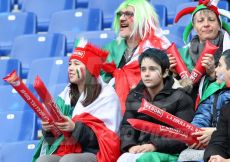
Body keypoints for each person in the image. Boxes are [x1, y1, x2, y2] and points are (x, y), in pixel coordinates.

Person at [33, 40, 122, 162]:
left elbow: (108, 139)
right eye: (70, 64)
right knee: (43, 160)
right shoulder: (65, 96)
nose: (71, 68)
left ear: (90, 69)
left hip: (95, 153)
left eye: (76, 64)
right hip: (67, 150)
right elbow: (53, 141)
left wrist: (74, 128)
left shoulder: (107, 96)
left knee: (69, 160)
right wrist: (48, 130)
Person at [117, 48, 194, 162]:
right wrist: (130, 146)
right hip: (140, 150)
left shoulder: (181, 97)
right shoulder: (135, 96)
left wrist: (154, 146)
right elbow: (127, 126)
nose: (146, 74)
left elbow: (184, 135)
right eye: (143, 69)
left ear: (165, 72)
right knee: (123, 159)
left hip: (169, 153)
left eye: (152, 69)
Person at [100, 0, 171, 114]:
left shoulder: (160, 49)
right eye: (120, 14)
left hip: (147, 112)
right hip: (111, 111)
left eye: (128, 14)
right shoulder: (109, 49)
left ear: (143, 19)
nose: (122, 18)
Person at [169, 0, 230, 105]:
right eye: (200, 21)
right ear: (194, 27)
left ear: (219, 25)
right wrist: (172, 74)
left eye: (211, 20)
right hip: (186, 107)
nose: (206, 24)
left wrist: (212, 74)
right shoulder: (182, 54)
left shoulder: (228, 51)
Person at [178, 49, 230, 161]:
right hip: (214, 144)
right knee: (186, 156)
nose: (215, 70)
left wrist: (214, 132)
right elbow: (202, 116)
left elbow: (222, 133)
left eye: (220, 65)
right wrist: (195, 136)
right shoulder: (213, 89)